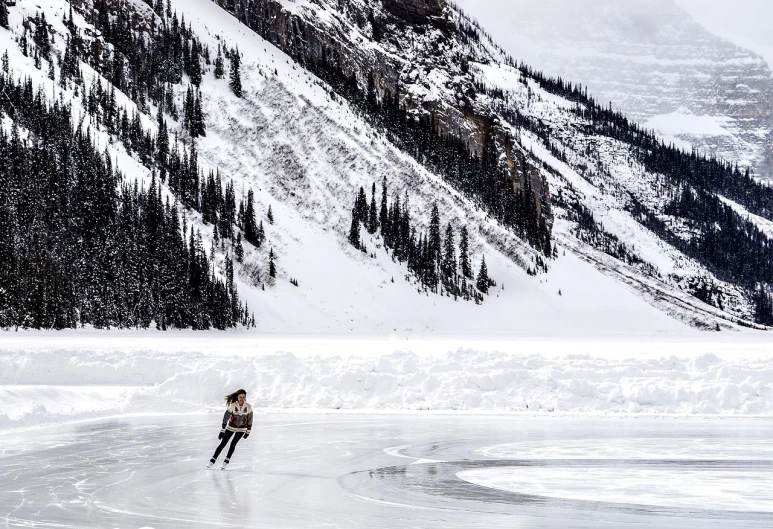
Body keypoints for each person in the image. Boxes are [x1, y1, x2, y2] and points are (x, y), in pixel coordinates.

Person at [208, 388, 253, 470]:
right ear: (237, 397)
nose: (242, 399)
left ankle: (226, 461)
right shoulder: (232, 406)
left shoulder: (248, 407)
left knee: (233, 444)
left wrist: (248, 431)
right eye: (240, 397)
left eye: (243, 397)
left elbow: (250, 419)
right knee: (223, 443)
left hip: (242, 429)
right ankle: (213, 460)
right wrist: (222, 430)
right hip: (231, 427)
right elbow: (225, 418)